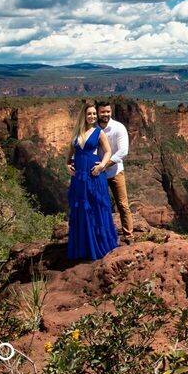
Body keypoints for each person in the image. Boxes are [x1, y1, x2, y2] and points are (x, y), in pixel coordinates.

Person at [66, 102, 119, 260]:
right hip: (79, 178)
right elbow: (69, 155)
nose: (92, 117)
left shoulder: (98, 132)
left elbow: (109, 151)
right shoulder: (76, 134)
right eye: (89, 114)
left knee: (96, 209)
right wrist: (67, 165)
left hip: (94, 175)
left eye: (94, 114)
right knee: (81, 209)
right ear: (84, 115)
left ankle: (98, 245)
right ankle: (83, 247)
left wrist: (102, 166)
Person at [95, 100, 135, 243]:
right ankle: (104, 236)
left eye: (108, 111)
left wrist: (104, 165)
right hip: (98, 174)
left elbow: (123, 151)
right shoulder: (93, 129)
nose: (105, 114)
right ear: (98, 112)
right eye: (102, 112)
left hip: (116, 172)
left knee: (123, 205)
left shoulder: (119, 128)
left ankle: (129, 236)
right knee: (101, 205)